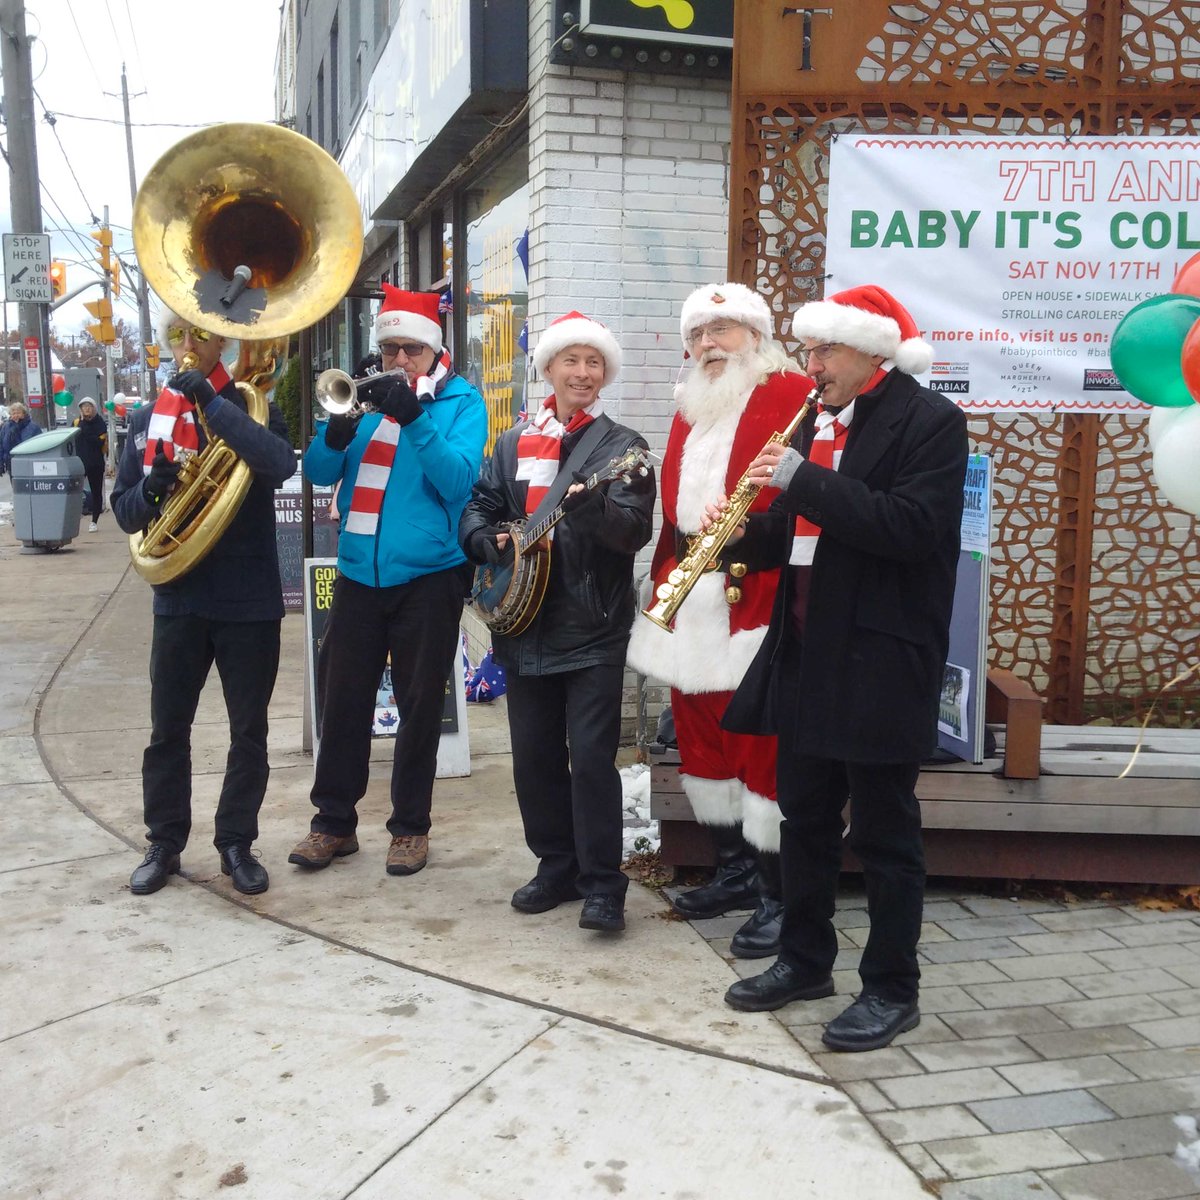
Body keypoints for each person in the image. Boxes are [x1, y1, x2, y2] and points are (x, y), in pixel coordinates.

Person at [718, 285, 968, 1053]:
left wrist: (800, 479)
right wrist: (736, 538)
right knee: (807, 822)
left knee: (887, 837)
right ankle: (804, 960)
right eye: (812, 349)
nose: (813, 364)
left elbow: (908, 527)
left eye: (825, 351)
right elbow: (805, 531)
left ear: (871, 351)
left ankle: (893, 988)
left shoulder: (931, 422)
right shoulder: (824, 421)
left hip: (880, 659)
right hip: (808, 653)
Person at [627, 282, 812, 958]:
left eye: (724, 330)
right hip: (690, 595)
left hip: (754, 593)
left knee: (758, 749)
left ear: (756, 337)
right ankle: (734, 869)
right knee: (704, 741)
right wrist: (662, 593)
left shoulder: (789, 394)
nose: (710, 343)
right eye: (700, 333)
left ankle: (779, 893)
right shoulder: (690, 405)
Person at [460, 311, 656, 934]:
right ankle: (556, 865)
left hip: (591, 626)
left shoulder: (623, 449)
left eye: (593, 362)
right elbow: (480, 506)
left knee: (592, 760)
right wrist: (486, 541)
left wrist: (594, 505)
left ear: (604, 376)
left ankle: (604, 885)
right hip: (521, 622)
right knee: (534, 759)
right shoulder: (515, 441)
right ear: (547, 369)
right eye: (570, 360)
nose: (581, 372)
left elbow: (632, 532)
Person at [290, 287, 487, 877]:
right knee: (343, 699)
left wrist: (415, 418)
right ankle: (332, 823)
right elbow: (319, 474)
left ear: (433, 351)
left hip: (430, 577)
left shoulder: (461, 402)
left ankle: (410, 828)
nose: (399, 359)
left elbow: (457, 483)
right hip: (358, 574)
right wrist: (337, 427)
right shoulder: (363, 402)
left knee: (420, 704)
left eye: (412, 350)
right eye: (390, 348)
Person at [112, 309, 297, 897]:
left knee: (249, 733)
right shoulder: (146, 421)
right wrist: (152, 487)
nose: (188, 345)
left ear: (223, 342)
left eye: (200, 334)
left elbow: (279, 464)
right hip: (179, 598)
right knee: (168, 730)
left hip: (248, 597)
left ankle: (236, 842)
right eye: (178, 335)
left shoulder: (252, 405)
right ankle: (163, 842)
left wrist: (213, 407)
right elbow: (124, 512)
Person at [73, 397, 108, 531]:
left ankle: (94, 521)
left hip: (95, 463)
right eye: (84, 406)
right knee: (74, 491)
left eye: (89, 406)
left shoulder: (100, 423)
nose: (87, 409)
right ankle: (74, 517)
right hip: (79, 462)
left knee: (96, 491)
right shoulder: (76, 422)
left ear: (94, 408)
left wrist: (84, 430)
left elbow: (98, 442)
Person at [0, 400, 39, 474]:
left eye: (18, 413)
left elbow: (39, 444)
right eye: (14, 413)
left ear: (23, 414)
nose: (16, 415)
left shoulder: (33, 427)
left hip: (28, 462)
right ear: (10, 415)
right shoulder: (5, 428)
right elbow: (1, 445)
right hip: (11, 463)